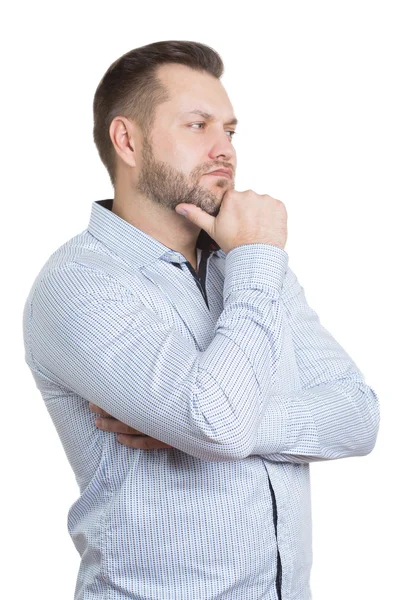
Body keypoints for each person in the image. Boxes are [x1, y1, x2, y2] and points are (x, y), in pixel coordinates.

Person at [22, 40, 380, 600]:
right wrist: (259, 259)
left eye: (230, 131)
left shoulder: (247, 268)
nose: (225, 150)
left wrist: (227, 429)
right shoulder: (80, 283)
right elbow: (215, 422)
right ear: (128, 140)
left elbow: (358, 416)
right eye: (198, 126)